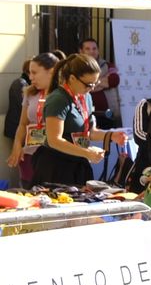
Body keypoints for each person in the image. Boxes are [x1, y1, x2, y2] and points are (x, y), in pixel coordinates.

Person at [30, 54, 126, 186]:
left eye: (95, 83)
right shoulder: (58, 99)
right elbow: (54, 140)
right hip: (56, 167)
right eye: (88, 84)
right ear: (72, 78)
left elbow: (90, 132)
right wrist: (87, 152)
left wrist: (110, 136)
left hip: (78, 165)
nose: (92, 88)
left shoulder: (85, 96)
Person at [7, 52, 59, 185]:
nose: (30, 77)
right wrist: (17, 144)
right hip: (29, 156)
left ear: (51, 71)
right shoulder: (29, 92)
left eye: (34, 73)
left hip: (54, 158)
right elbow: (23, 124)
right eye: (29, 73)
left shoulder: (63, 95)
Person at [78, 37, 121, 129]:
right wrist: (104, 81)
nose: (92, 51)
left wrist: (89, 83)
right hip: (84, 116)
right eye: (87, 49)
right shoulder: (76, 67)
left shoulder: (107, 65)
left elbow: (114, 80)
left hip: (107, 115)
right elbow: (79, 85)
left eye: (94, 48)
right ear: (81, 51)